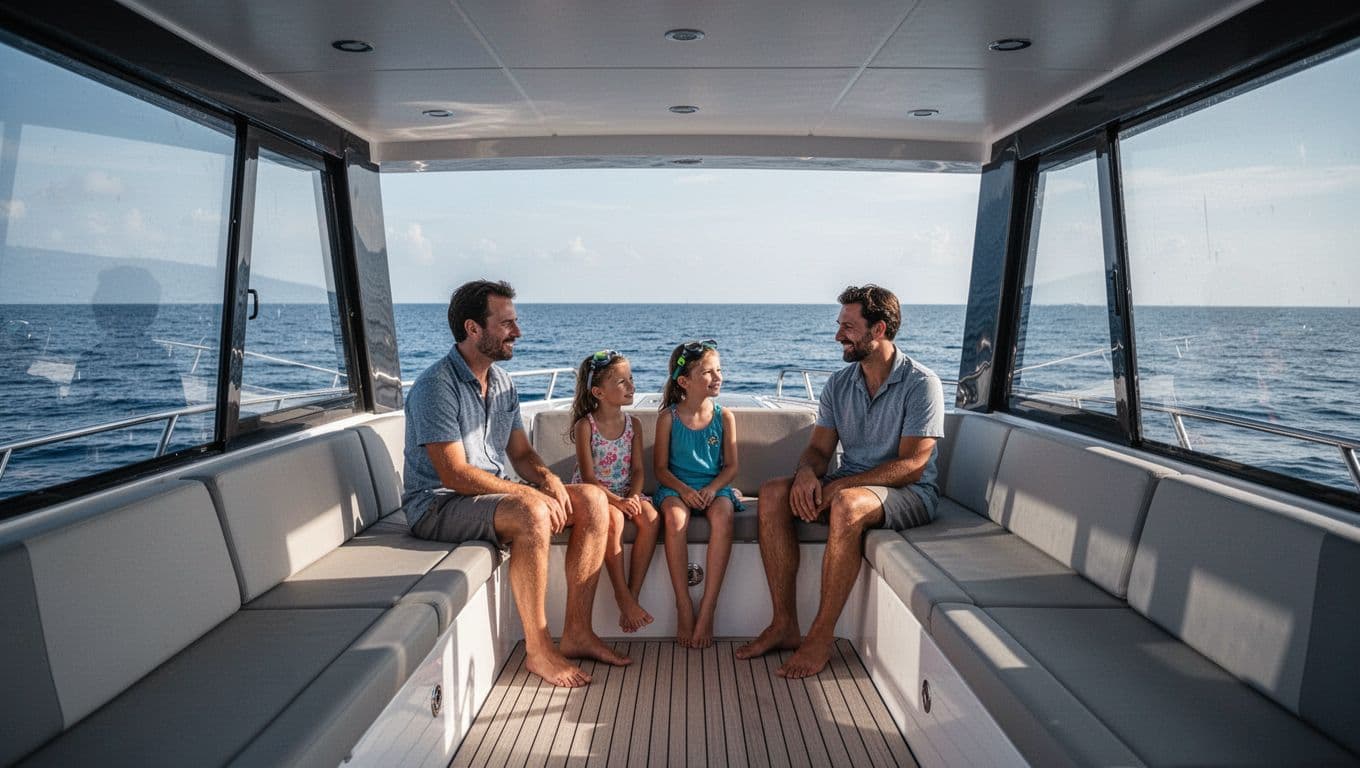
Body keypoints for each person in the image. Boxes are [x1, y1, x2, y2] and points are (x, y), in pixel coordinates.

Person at [401, 280, 629, 688]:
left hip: (489, 493)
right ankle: (539, 650)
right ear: (473, 329)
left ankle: (577, 632)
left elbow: (521, 455)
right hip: (437, 504)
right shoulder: (436, 387)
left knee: (594, 500)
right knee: (530, 512)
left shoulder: (502, 383)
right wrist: (529, 494)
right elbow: (453, 473)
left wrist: (548, 480)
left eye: (515, 322)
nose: (517, 332)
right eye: (506, 323)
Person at [736, 285, 944, 677]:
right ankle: (784, 624)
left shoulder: (921, 383)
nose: (838, 336)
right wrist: (805, 475)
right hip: (853, 483)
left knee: (847, 505)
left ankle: (820, 637)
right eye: (839, 326)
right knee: (773, 493)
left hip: (910, 493)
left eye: (848, 327)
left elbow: (914, 464)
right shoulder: (840, 383)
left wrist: (838, 488)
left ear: (878, 329)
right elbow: (818, 450)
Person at [653, 339, 741, 648]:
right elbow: (661, 470)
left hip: (714, 487)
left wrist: (713, 489)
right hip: (676, 488)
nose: (718, 377)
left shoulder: (724, 417)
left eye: (719, 370)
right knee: (676, 520)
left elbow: (731, 467)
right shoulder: (668, 419)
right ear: (684, 382)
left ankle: (708, 607)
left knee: (724, 516)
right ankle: (682, 604)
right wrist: (686, 491)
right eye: (708, 372)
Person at [569, 349, 660, 633]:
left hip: (625, 491)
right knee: (615, 519)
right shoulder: (586, 426)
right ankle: (622, 596)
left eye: (631, 379)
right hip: (596, 494)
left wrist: (632, 496)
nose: (632, 386)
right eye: (622, 382)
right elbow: (588, 478)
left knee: (650, 517)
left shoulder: (634, 424)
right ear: (598, 392)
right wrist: (618, 502)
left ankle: (633, 594)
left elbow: (638, 471)